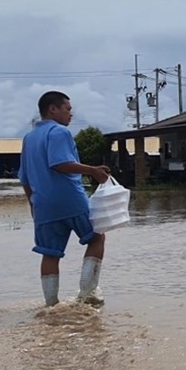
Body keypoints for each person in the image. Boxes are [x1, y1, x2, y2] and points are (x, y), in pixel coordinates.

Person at [20, 91, 112, 306]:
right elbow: (59, 163)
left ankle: (51, 305)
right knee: (97, 237)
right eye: (68, 109)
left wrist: (33, 203)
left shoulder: (29, 138)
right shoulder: (59, 132)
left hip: (42, 205)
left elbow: (24, 178)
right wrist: (93, 170)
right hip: (70, 199)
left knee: (50, 254)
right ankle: (87, 294)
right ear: (53, 109)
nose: (71, 114)